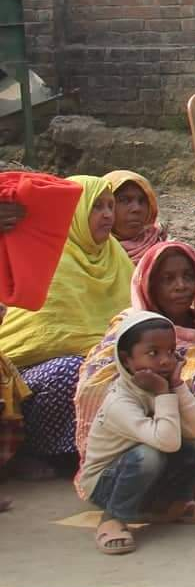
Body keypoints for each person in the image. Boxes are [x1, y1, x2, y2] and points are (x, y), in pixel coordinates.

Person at [75, 241, 195, 492]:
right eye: (168, 279)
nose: (181, 286)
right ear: (150, 285)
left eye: (188, 277)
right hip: (140, 428)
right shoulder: (130, 327)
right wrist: (193, 360)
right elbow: (99, 376)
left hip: (186, 419)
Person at [1, 176, 132, 474]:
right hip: (28, 376)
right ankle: (41, 452)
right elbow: (36, 335)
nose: (109, 215)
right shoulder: (50, 259)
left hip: (97, 360)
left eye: (111, 206)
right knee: (70, 371)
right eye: (96, 206)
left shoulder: (115, 256)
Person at [77, 312, 195, 556]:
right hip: (106, 483)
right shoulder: (119, 401)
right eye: (153, 353)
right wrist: (164, 394)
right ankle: (113, 517)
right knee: (148, 455)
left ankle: (172, 506)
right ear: (127, 359)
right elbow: (168, 442)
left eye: (170, 352)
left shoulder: (161, 384)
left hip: (147, 469)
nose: (165, 361)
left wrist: (176, 386)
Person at [102, 171, 168, 263]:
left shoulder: (165, 250)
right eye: (124, 200)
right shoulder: (90, 254)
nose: (137, 209)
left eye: (142, 201)